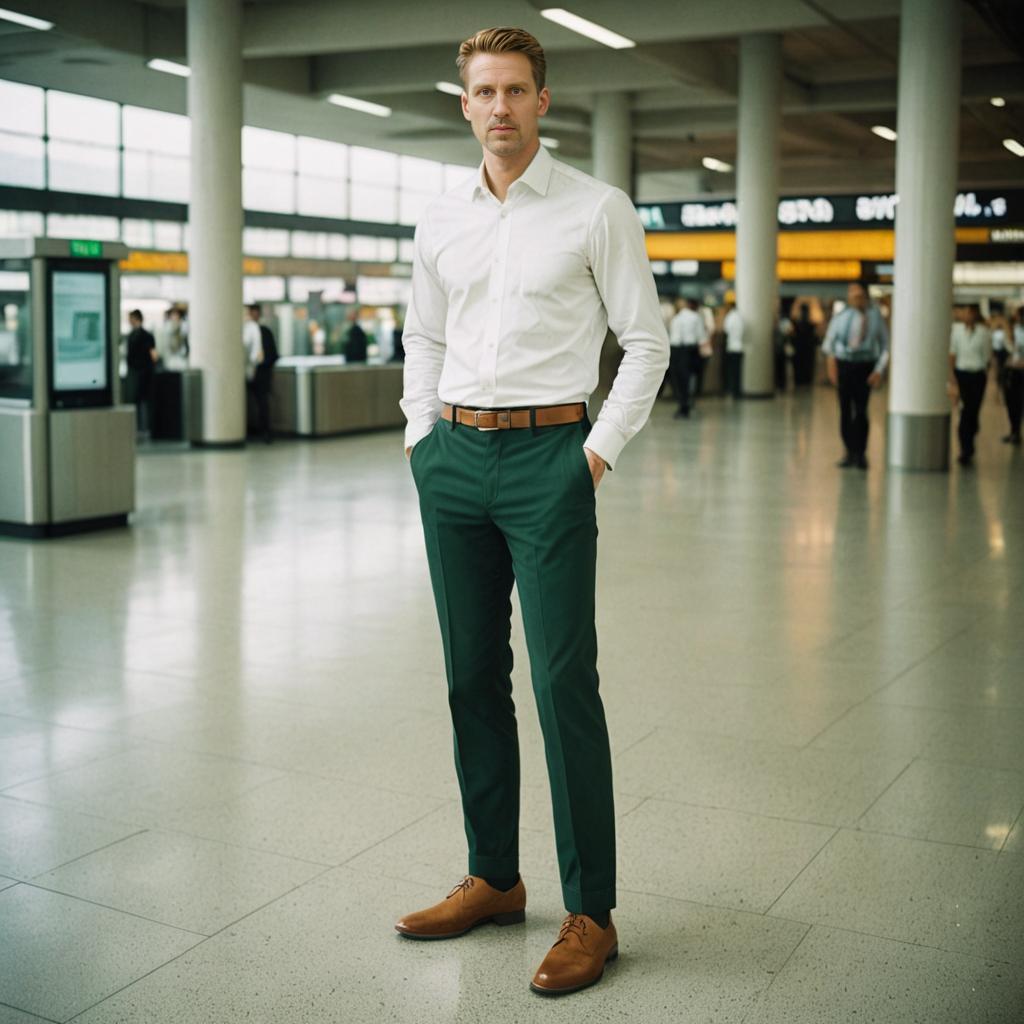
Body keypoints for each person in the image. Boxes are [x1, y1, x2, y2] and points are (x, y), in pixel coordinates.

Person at [396, 26, 668, 997]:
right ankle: (496, 876)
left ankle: (590, 910)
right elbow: (422, 334)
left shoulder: (597, 210)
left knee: (561, 683)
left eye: (516, 89)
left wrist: (592, 456)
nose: (500, 106)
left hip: (550, 456)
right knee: (471, 677)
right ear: (463, 104)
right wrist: (420, 439)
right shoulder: (439, 219)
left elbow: (646, 343)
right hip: (455, 459)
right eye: (483, 91)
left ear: (542, 102)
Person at [822, 281, 889, 469]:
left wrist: (879, 370)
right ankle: (848, 451)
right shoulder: (841, 316)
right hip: (845, 365)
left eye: (859, 296)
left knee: (861, 410)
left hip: (865, 365)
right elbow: (829, 344)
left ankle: (860, 453)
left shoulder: (875, 317)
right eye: (852, 296)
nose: (855, 299)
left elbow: (885, 345)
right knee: (845, 410)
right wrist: (832, 368)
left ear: (865, 297)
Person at [948, 304, 992, 466]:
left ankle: (971, 433)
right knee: (965, 410)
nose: (967, 316)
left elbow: (987, 357)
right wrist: (952, 378)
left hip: (978, 376)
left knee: (973, 410)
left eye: (970, 313)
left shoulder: (984, 333)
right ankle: (965, 448)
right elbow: (952, 354)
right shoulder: (957, 331)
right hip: (962, 375)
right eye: (965, 313)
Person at [668, 297, 704, 417]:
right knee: (687, 378)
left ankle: (682, 403)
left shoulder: (676, 318)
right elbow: (701, 336)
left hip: (674, 349)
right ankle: (686, 403)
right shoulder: (695, 317)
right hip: (689, 350)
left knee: (676, 378)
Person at [247, 303, 278, 444]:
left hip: (261, 374)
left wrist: (262, 367)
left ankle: (265, 431)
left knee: (262, 403)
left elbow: (272, 354)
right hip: (248, 372)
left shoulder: (265, 332)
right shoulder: (244, 331)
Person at [125, 309, 157, 437]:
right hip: (136, 372)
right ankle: (139, 427)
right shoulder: (132, 335)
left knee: (141, 400)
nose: (129, 321)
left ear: (136, 319)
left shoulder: (144, 336)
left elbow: (153, 355)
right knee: (137, 400)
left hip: (143, 373)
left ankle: (144, 427)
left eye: (131, 318)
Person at [1002, 307, 1024, 445]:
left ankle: (1016, 431)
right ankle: (1014, 431)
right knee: (1011, 402)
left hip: (1021, 371)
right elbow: (1010, 348)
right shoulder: (1014, 330)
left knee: (1019, 403)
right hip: (1012, 370)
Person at [242, 303, 264, 435]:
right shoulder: (242, 327)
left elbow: (256, 353)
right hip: (243, 371)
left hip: (251, 372)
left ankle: (259, 429)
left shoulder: (252, 328)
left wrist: (252, 368)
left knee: (257, 402)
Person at [791, 303, 817, 387]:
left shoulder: (804, 325)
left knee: (803, 366)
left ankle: (803, 380)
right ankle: (803, 380)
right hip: (802, 350)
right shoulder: (800, 324)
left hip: (803, 350)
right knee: (802, 366)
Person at [723, 302, 743, 399]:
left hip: (731, 347)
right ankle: (737, 392)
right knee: (738, 372)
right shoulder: (740, 317)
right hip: (739, 347)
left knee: (732, 372)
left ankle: (733, 391)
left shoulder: (729, 317)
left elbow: (726, 330)